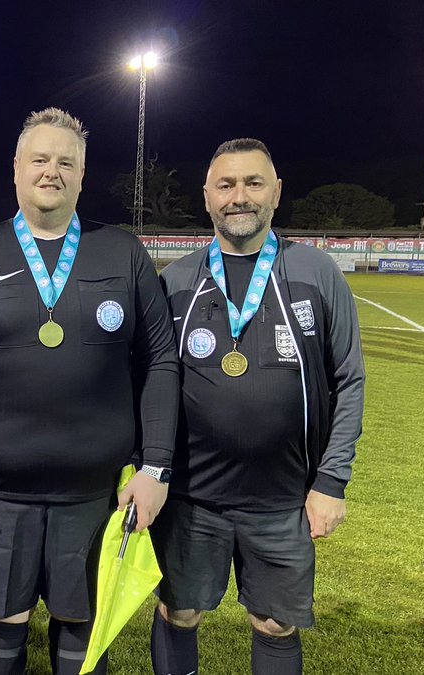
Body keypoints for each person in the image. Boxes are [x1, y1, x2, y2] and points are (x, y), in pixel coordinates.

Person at [0, 108, 180, 675]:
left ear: (83, 175)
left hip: (94, 493)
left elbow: (159, 360)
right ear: (16, 169)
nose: (52, 171)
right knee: (2, 622)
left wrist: (155, 467)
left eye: (67, 162)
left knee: (80, 622)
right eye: (40, 159)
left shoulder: (123, 254)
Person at [151, 138, 365, 675]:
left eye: (252, 183)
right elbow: (148, 386)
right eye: (226, 185)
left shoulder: (317, 273)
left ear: (276, 191)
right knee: (180, 611)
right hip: (191, 498)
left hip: (285, 499)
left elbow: (350, 380)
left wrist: (331, 482)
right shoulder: (176, 282)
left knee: (275, 623)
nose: (238, 196)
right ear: (207, 197)